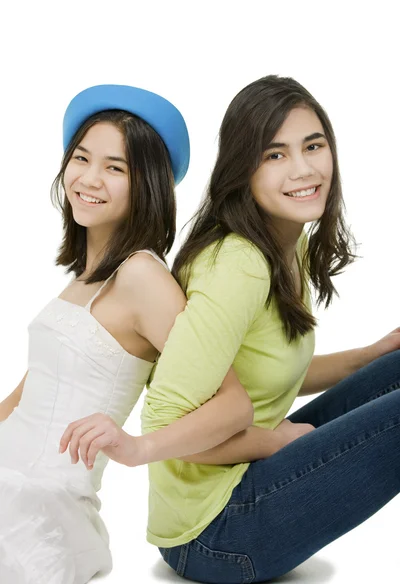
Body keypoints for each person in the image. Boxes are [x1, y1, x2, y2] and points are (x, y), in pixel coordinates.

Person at [62, 75, 400, 584]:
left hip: (245, 492)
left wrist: (372, 354)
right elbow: (165, 423)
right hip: (216, 533)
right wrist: (271, 442)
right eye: (275, 155)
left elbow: (267, 373)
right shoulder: (238, 264)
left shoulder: (288, 246)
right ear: (243, 169)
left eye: (313, 146)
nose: (303, 169)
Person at [0, 84, 255, 584]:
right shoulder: (83, 278)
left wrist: (137, 447)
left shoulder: (142, 277)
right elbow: (32, 391)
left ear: (148, 185)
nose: (89, 178)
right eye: (81, 158)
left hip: (36, 500)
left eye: (115, 168)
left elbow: (234, 404)